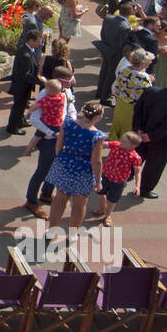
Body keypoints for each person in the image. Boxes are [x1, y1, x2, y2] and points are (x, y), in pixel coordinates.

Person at [45, 101, 107, 231]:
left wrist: (60, 159)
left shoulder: (68, 123)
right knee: (79, 204)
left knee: (60, 199)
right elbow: (96, 161)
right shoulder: (97, 136)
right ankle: (72, 235)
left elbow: (59, 143)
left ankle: (51, 231)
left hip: (64, 164)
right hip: (83, 171)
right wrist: (98, 180)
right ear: (96, 117)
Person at [24, 65, 76, 218]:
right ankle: (31, 201)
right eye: (68, 81)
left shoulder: (66, 91)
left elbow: (70, 109)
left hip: (61, 135)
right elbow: (34, 118)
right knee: (42, 170)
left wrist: (70, 124)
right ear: (59, 81)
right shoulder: (44, 94)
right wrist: (51, 133)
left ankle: (46, 193)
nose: (71, 83)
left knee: (56, 167)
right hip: (49, 138)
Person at [132, 74, 167, 197]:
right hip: (161, 141)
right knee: (154, 166)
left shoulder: (151, 91)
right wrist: (151, 136)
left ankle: (125, 177)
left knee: (137, 157)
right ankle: (145, 189)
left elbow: (138, 109)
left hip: (142, 134)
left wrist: (139, 129)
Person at [94, 131, 143, 226]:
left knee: (112, 200)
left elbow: (138, 172)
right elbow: (105, 144)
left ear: (133, 146)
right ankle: (103, 205)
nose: (121, 142)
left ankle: (108, 214)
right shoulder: (116, 145)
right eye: (122, 139)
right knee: (99, 192)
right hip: (106, 176)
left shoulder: (135, 157)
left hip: (119, 182)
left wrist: (137, 186)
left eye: (124, 141)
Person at [6, 29, 44, 135]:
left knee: (22, 106)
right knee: (18, 107)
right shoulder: (25, 55)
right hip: (21, 86)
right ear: (31, 40)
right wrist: (40, 81)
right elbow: (25, 74)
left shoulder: (27, 49)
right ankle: (12, 127)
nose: (40, 44)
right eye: (38, 41)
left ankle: (20, 122)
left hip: (24, 86)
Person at [96, 2, 134, 104]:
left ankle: (99, 92)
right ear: (131, 13)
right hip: (116, 53)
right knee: (111, 75)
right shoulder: (125, 26)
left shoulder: (108, 19)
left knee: (104, 70)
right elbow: (123, 44)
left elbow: (102, 34)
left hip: (106, 48)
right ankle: (104, 98)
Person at [111, 49, 154, 140]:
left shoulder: (124, 70)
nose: (150, 62)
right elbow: (148, 94)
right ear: (142, 62)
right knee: (129, 133)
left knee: (119, 128)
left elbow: (117, 87)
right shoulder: (143, 77)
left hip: (121, 104)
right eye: (148, 61)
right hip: (133, 108)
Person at [25, 79, 67, 154]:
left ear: (49, 91)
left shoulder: (46, 100)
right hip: (58, 123)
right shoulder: (62, 97)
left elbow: (34, 107)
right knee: (60, 139)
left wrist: (28, 113)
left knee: (37, 137)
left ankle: (28, 150)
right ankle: (59, 152)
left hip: (46, 122)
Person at [152, 19, 167, 88]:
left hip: (166, 62)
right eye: (166, 30)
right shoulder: (152, 37)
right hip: (155, 62)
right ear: (159, 29)